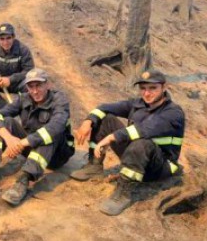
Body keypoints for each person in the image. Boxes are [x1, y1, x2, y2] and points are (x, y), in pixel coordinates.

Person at [71, 69, 185, 216]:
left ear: (164, 87)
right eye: (143, 88)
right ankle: (94, 166)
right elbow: (104, 107)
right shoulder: (138, 104)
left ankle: (124, 193)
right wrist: (88, 120)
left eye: (153, 88)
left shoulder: (173, 112)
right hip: (136, 155)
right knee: (106, 119)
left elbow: (144, 130)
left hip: (158, 166)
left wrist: (110, 138)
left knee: (142, 142)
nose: (147, 93)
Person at [0, 68, 75, 206]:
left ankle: (24, 180)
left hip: (56, 155)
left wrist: (20, 144)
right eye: (31, 86)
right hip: (31, 147)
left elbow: (56, 127)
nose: (35, 91)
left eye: (39, 85)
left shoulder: (59, 100)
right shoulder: (24, 98)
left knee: (50, 135)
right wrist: (9, 138)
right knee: (6, 122)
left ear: (48, 84)